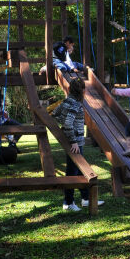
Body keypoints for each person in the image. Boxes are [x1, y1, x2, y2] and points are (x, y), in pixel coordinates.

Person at [52, 79, 104, 211]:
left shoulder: (67, 101)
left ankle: (86, 199)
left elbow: (55, 114)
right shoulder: (76, 104)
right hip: (75, 143)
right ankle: (68, 202)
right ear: (82, 91)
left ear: (70, 90)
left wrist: (64, 126)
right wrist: (73, 140)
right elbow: (68, 123)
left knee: (81, 170)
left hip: (72, 141)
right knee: (72, 172)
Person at [0, 88, 21, 152]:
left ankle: (13, 144)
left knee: (15, 127)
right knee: (20, 127)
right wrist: (3, 114)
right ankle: (13, 143)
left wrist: (3, 112)